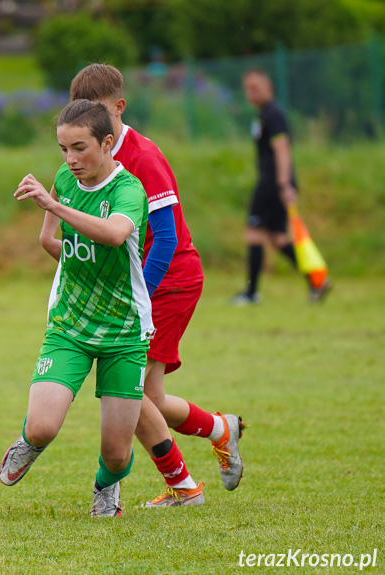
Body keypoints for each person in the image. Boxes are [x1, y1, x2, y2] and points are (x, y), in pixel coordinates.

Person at [62, 63, 244, 506]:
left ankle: (183, 485)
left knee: (127, 389)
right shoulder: (87, 156)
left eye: (100, 113)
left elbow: (164, 238)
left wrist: (135, 294)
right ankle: (219, 430)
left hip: (170, 278)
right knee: (148, 394)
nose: (91, 124)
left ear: (119, 108)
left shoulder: (143, 156)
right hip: (139, 281)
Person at [0, 99, 153, 517]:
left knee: (117, 455)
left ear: (107, 143)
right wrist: (81, 276)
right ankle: (28, 443)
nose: (70, 159)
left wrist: (53, 206)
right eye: (63, 149)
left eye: (80, 148)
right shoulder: (65, 180)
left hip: (124, 332)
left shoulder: (129, 189)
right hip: (70, 324)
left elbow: (115, 234)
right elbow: (50, 241)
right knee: (43, 426)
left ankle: (106, 488)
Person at [234, 68, 331, 305]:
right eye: (247, 88)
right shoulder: (264, 115)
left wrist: (284, 183)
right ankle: (317, 280)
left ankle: (251, 293)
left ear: (269, 88)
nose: (250, 93)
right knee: (278, 238)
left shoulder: (273, 114)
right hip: (274, 182)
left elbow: (282, 148)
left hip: (273, 182)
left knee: (254, 232)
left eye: (255, 87)